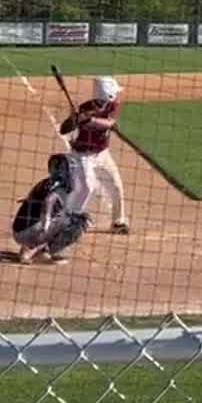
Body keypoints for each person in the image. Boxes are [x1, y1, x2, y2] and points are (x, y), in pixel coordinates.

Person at [60, 75, 130, 234]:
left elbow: (110, 124)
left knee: (116, 185)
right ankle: (67, 220)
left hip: (102, 154)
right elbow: (64, 129)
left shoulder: (113, 106)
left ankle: (118, 222)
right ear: (108, 94)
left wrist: (87, 119)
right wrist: (74, 118)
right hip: (83, 156)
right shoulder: (85, 108)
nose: (117, 94)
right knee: (86, 188)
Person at [13, 153, 92, 265]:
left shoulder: (44, 182)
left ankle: (26, 250)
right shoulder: (62, 187)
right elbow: (48, 201)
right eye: (72, 169)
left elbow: (30, 198)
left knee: (59, 216)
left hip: (18, 231)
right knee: (81, 221)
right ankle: (45, 254)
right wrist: (46, 224)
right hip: (32, 232)